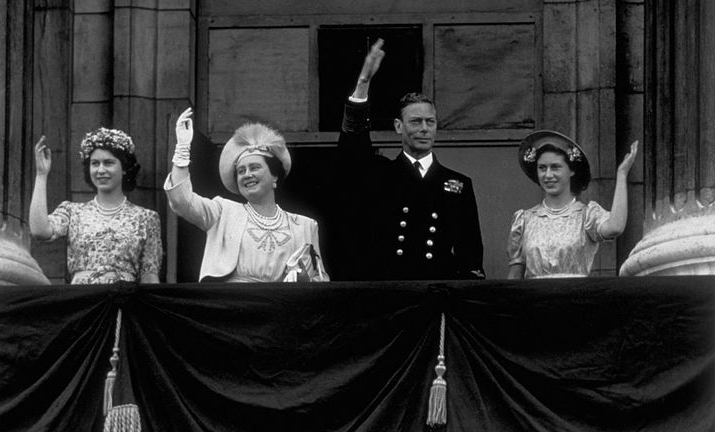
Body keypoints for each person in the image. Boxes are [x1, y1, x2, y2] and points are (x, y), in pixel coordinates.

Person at [337, 39, 485, 280]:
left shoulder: (457, 183)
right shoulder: (380, 174)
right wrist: (363, 83)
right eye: (416, 122)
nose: (424, 128)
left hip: (436, 292)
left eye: (430, 122)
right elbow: (353, 149)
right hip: (391, 292)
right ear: (399, 126)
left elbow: (470, 254)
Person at [164, 108, 329, 283]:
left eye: (255, 167)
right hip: (233, 304)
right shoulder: (222, 212)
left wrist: (304, 279)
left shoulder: (304, 226)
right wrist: (182, 151)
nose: (247, 174)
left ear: (274, 177)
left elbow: (320, 283)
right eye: (241, 171)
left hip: (281, 306)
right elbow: (182, 202)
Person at [29, 129, 162, 284]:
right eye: (95, 163)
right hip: (83, 302)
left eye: (109, 163)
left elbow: (149, 276)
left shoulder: (146, 218)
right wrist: (41, 174)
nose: (101, 170)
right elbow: (39, 230)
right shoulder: (72, 212)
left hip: (123, 302)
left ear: (125, 168)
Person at [507, 130, 639, 279]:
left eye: (555, 167)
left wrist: (622, 174)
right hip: (534, 300)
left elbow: (615, 227)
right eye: (542, 168)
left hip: (575, 297)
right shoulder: (524, 220)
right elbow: (514, 278)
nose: (548, 175)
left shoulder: (587, 215)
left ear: (571, 171)